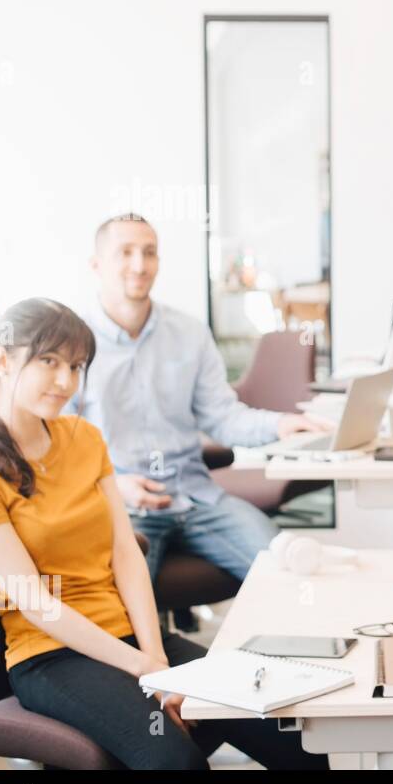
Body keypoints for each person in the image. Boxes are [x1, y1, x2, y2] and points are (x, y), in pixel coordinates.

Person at [0, 298, 327, 769]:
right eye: (49, 361)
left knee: (294, 739)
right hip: (52, 656)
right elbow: (34, 602)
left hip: (132, 638)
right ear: (4, 359)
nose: (65, 380)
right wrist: (146, 670)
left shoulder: (84, 438)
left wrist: (155, 655)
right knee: (175, 760)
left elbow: (125, 553)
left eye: (75, 366)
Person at [73, 213, 329, 583]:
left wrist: (281, 424)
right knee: (118, 606)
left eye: (149, 252)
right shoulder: (71, 345)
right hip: (121, 506)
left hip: (197, 498)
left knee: (290, 575)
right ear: (96, 265)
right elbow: (56, 448)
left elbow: (222, 416)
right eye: (125, 252)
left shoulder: (189, 333)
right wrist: (110, 487)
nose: (139, 265)